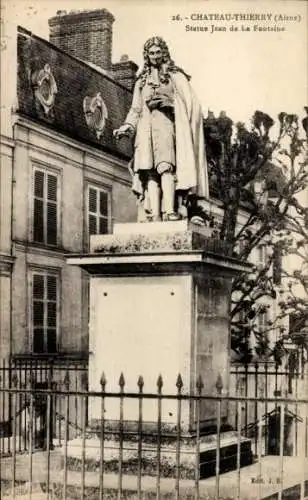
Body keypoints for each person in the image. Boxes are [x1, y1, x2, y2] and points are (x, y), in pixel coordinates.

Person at [114, 36, 209, 222]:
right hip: (144, 130)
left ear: (164, 53)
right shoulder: (141, 81)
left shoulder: (175, 77)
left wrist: (171, 104)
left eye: (158, 52)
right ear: (146, 56)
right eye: (151, 53)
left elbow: (192, 106)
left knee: (165, 168)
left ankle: (169, 211)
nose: (155, 56)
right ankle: (155, 215)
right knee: (149, 172)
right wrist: (126, 126)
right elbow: (135, 109)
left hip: (166, 127)